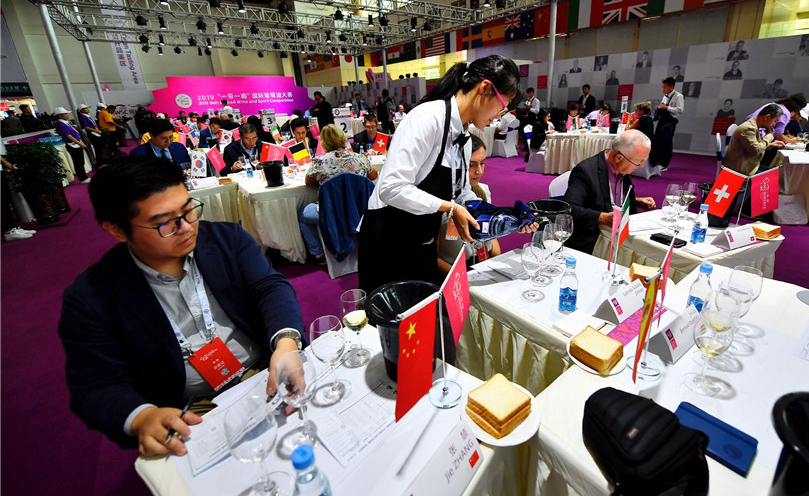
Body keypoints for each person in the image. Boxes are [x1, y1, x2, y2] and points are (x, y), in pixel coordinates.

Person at [59, 156, 306, 454]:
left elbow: (270, 288)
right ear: (117, 230)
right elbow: (95, 386)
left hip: (266, 372)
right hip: (189, 410)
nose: (187, 227)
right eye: (165, 223)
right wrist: (142, 416)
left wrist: (286, 342)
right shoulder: (91, 297)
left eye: (189, 210)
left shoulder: (226, 240)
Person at [357, 55, 520, 293]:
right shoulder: (427, 118)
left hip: (423, 238)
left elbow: (461, 193)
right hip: (387, 237)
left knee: (422, 306)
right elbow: (391, 188)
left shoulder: (464, 137)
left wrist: (509, 218)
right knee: (391, 313)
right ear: (484, 88)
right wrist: (449, 207)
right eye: (503, 105)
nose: (500, 115)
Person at [563, 130, 656, 254]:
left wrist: (636, 201)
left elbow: (607, 196)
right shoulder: (585, 171)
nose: (642, 166)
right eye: (638, 162)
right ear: (619, 157)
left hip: (620, 233)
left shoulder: (623, 166)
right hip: (593, 238)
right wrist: (601, 217)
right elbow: (569, 208)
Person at [299, 125, 378, 264]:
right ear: (343, 139)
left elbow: (309, 182)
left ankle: (318, 254)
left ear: (324, 142)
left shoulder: (319, 161)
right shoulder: (360, 158)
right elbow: (373, 176)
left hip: (332, 213)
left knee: (302, 214)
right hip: (359, 211)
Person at [437, 136, 500, 273]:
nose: (479, 171)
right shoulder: (439, 201)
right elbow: (434, 257)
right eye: (472, 165)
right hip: (452, 271)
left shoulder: (483, 191)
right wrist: (463, 280)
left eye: (482, 163)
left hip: (483, 263)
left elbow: (492, 238)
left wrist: (496, 266)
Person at [722, 104, 785, 176]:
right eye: (775, 120)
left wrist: (770, 145)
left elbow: (753, 146)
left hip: (747, 165)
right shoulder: (748, 128)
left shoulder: (754, 126)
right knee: (778, 176)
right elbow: (756, 150)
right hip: (740, 172)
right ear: (767, 117)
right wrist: (770, 136)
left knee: (778, 173)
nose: (774, 124)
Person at [649, 77, 683, 170]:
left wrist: (667, 108)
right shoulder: (665, 96)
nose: (663, 89)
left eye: (664, 87)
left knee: (666, 142)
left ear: (671, 86)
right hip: (662, 120)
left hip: (670, 122)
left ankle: (664, 164)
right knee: (657, 140)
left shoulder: (678, 96)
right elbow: (661, 107)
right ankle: (655, 162)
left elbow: (680, 110)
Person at [54, 107, 89, 183]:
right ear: (60, 115)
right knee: (78, 162)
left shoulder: (66, 123)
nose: (67, 115)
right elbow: (68, 136)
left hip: (77, 144)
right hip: (72, 145)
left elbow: (75, 133)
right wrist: (79, 143)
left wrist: (80, 142)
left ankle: (84, 176)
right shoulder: (62, 124)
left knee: (81, 161)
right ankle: (82, 178)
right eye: (65, 114)